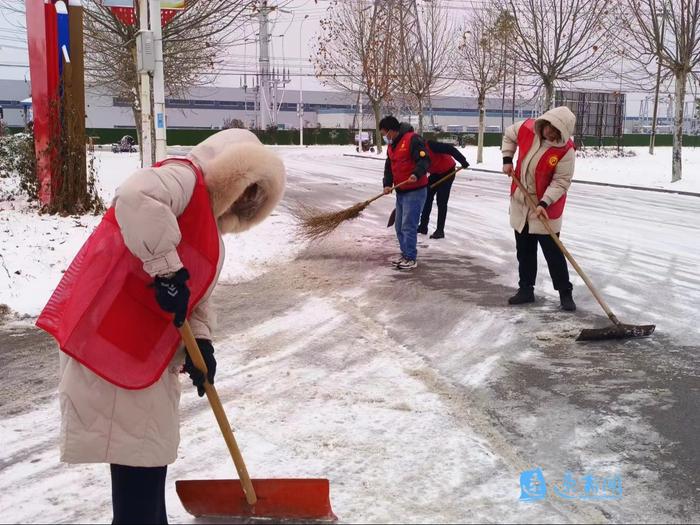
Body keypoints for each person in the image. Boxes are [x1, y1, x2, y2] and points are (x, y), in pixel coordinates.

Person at [37, 129, 286, 524]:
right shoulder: (182, 178)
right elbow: (134, 197)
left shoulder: (211, 235)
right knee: (140, 469)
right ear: (231, 174)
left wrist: (202, 346)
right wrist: (167, 271)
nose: (243, 201)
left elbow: (197, 300)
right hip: (116, 345)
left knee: (149, 461)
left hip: (146, 356)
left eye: (253, 198)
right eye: (245, 188)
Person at [501, 106, 577, 311]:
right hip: (521, 201)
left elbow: (561, 182)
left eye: (557, 132)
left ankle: (565, 293)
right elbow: (509, 134)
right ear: (546, 122)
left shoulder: (565, 150)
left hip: (546, 206)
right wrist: (507, 159)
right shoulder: (527, 128)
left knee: (553, 252)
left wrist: (544, 203)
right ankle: (526, 290)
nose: (551, 134)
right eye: (550, 128)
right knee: (524, 250)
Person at [380, 116, 431, 270]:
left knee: (409, 226)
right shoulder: (392, 145)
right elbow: (389, 167)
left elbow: (424, 160)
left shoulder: (412, 140)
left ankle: (410, 257)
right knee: (399, 226)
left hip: (415, 191)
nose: (384, 137)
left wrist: (416, 174)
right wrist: (387, 184)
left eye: (385, 133)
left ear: (392, 130)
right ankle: (405, 254)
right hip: (401, 191)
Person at [418, 140, 470, 239]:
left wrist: (462, 160)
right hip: (435, 173)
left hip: (447, 171)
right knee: (426, 197)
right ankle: (423, 226)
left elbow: (450, 149)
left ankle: (440, 230)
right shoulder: (415, 151)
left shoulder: (431, 145)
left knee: (441, 201)